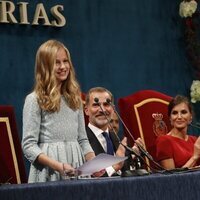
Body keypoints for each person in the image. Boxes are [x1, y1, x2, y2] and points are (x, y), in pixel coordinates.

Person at [22, 39, 98, 182]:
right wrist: (57, 165)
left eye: (65, 61)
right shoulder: (34, 99)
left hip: (76, 164)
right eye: (57, 62)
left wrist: (94, 163)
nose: (63, 66)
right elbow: (28, 145)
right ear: (45, 66)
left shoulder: (74, 98)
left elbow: (82, 139)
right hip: (49, 170)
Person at [84, 87, 144, 176]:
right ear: (86, 110)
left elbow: (126, 172)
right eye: (96, 105)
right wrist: (115, 166)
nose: (102, 110)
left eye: (106, 104)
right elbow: (87, 176)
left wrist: (135, 157)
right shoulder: (80, 140)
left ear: (113, 110)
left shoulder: (118, 139)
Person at [156, 95, 200, 170]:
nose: (179, 117)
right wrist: (194, 157)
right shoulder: (164, 141)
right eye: (175, 113)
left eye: (183, 112)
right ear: (170, 118)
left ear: (190, 117)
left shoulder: (195, 140)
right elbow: (172, 178)